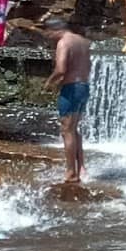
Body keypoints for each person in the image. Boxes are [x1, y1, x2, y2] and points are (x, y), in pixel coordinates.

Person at [44, 18, 92, 183]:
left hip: (71, 88)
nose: (50, 37)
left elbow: (61, 69)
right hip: (84, 87)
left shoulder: (64, 42)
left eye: (49, 33)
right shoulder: (84, 42)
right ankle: (80, 168)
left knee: (66, 130)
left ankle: (71, 173)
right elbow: (88, 66)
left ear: (55, 30)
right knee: (73, 128)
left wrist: (49, 83)